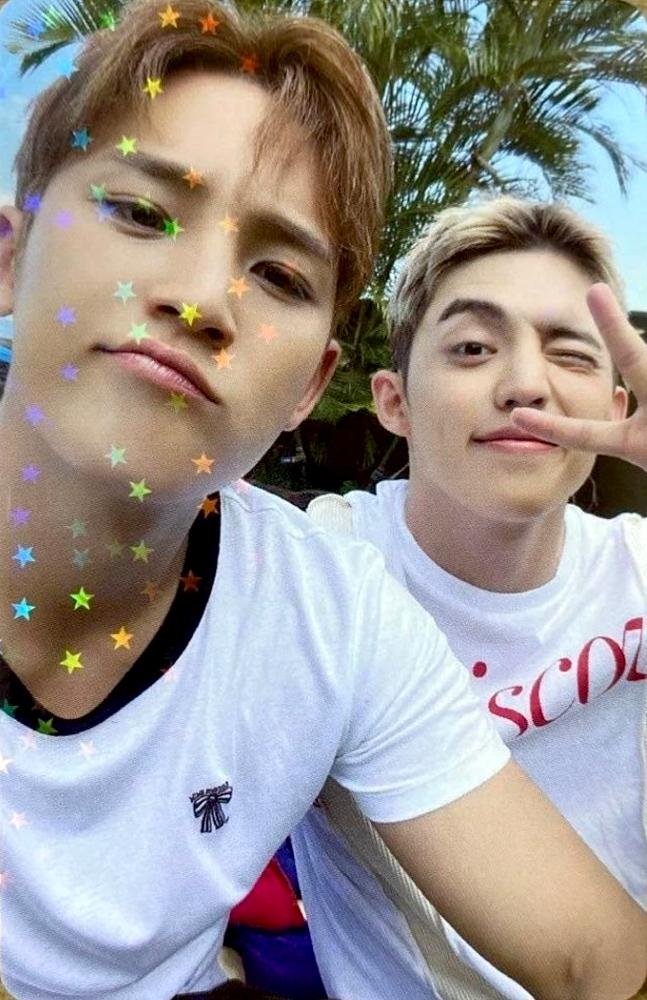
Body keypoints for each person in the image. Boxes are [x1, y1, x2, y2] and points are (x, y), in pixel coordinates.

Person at [0, 0, 645, 994]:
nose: (200, 298)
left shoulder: (330, 613)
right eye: (139, 213)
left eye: (277, 274)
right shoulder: (349, 566)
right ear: (12, 257)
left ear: (312, 384)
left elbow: (588, 953)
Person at [290, 196, 647, 1000]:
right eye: (473, 348)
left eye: (571, 356)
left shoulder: (636, 567)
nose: (524, 385)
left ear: (615, 409)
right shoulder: (314, 578)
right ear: (394, 401)